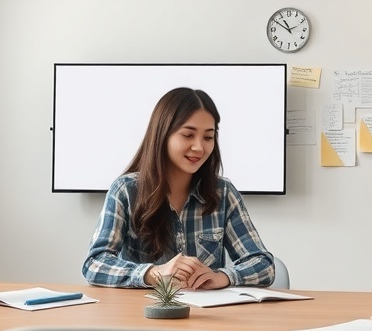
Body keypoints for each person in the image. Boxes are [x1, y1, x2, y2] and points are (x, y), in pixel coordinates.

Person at [82, 87, 274, 290]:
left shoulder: (223, 192)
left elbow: (264, 265)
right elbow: (94, 264)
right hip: (144, 314)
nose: (199, 147)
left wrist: (222, 277)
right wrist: (154, 273)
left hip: (207, 315)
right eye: (188, 135)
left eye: (208, 137)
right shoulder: (126, 190)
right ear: (162, 134)